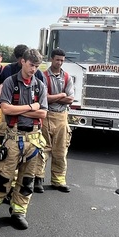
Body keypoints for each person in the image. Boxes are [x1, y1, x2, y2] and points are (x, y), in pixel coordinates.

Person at [0, 48, 47, 230]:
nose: (34, 69)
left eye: (37, 66)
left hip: (33, 139)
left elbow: (43, 113)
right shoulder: (10, 82)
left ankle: (18, 212)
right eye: (31, 65)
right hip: (13, 137)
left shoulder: (40, 85)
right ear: (23, 62)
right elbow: (6, 109)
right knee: (2, 178)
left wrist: (24, 108)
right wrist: (30, 107)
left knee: (26, 181)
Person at [42, 48, 75, 193]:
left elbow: (70, 99)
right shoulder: (42, 76)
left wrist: (54, 97)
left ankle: (58, 181)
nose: (60, 63)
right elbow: (43, 98)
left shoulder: (67, 77)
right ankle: (37, 178)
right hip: (46, 116)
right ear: (51, 59)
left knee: (60, 151)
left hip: (62, 118)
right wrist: (61, 95)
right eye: (57, 60)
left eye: (62, 60)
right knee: (42, 150)